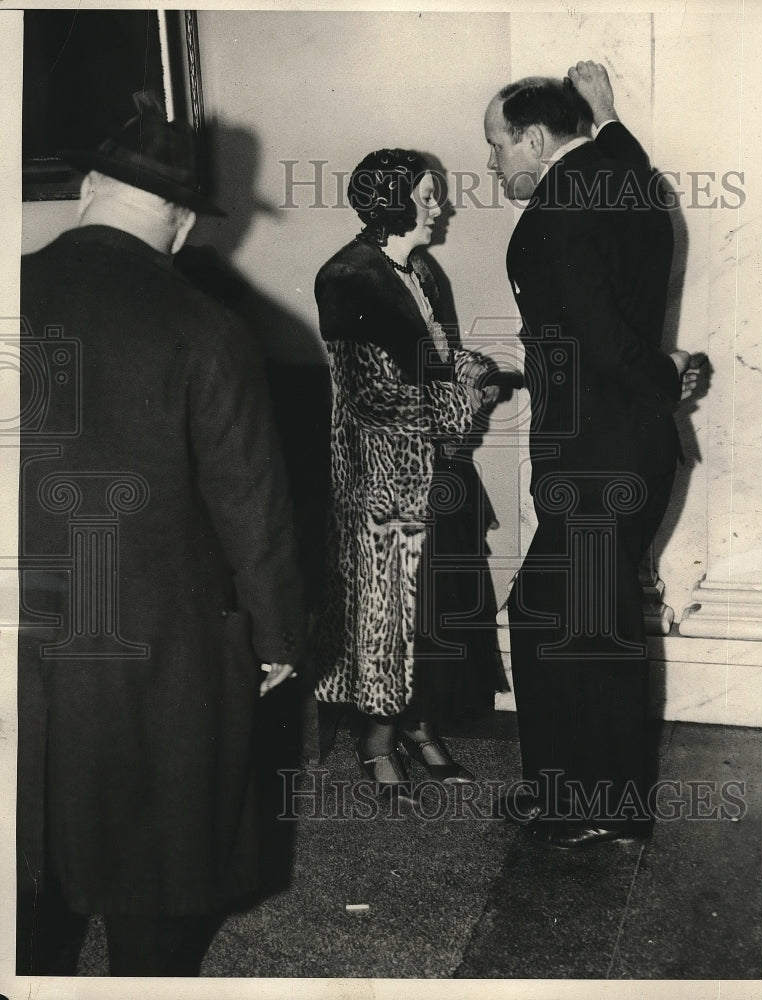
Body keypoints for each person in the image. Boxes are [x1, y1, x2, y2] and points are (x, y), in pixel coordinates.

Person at [17, 91, 306, 974]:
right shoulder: (205, 328)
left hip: (18, 631)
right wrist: (277, 635)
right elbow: (251, 504)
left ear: (87, 191)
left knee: (24, 862)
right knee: (155, 866)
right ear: (181, 222)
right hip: (156, 642)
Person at [485, 63, 703, 848]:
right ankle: (567, 791)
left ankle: (602, 807)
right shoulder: (618, 182)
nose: (491, 164)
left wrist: (664, 375)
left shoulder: (559, 209)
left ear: (534, 138)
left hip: (599, 447)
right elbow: (634, 175)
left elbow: (603, 338)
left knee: (582, 623)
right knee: (552, 611)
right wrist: (608, 117)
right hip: (620, 444)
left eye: (495, 145)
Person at [313, 148, 501, 800]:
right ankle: (377, 739)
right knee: (387, 612)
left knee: (436, 610)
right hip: (385, 479)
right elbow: (382, 398)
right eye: (426, 195)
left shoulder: (420, 268)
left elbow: (435, 368)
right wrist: (471, 386)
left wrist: (463, 379)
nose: (439, 206)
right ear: (392, 201)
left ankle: (421, 726)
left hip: (435, 469)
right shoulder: (349, 277)